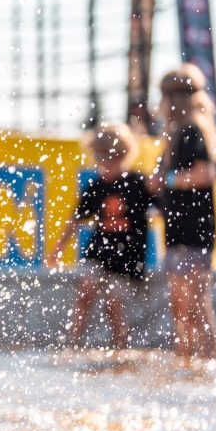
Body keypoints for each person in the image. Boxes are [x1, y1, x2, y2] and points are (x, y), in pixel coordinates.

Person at [47, 123, 152, 349]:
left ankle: (120, 347)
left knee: (112, 303)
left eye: (109, 158)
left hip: (128, 255)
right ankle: (74, 344)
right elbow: (75, 219)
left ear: (124, 155)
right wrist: (58, 248)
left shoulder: (139, 184)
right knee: (85, 291)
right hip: (99, 250)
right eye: (99, 157)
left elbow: (164, 209)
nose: (103, 163)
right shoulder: (96, 186)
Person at [148, 64, 216, 359]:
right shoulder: (186, 131)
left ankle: (204, 365)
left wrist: (165, 180)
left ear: (172, 98)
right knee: (182, 306)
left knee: (193, 305)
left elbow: (204, 174)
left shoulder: (192, 130)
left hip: (193, 230)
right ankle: (188, 365)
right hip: (184, 229)